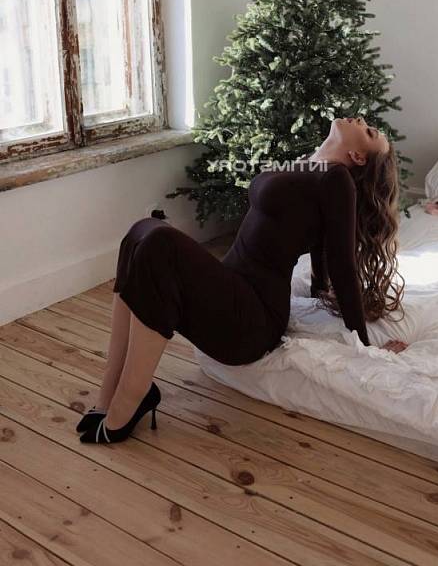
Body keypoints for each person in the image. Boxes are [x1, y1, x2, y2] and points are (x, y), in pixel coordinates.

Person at [77, 115, 407, 444]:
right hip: (232, 287)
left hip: (253, 319)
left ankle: (133, 395)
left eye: (369, 131)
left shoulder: (338, 179)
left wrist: (365, 346)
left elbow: (341, 263)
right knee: (140, 232)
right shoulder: (312, 164)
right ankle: (108, 394)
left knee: (158, 242)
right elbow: (321, 247)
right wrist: (317, 290)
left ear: (357, 157)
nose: (360, 119)